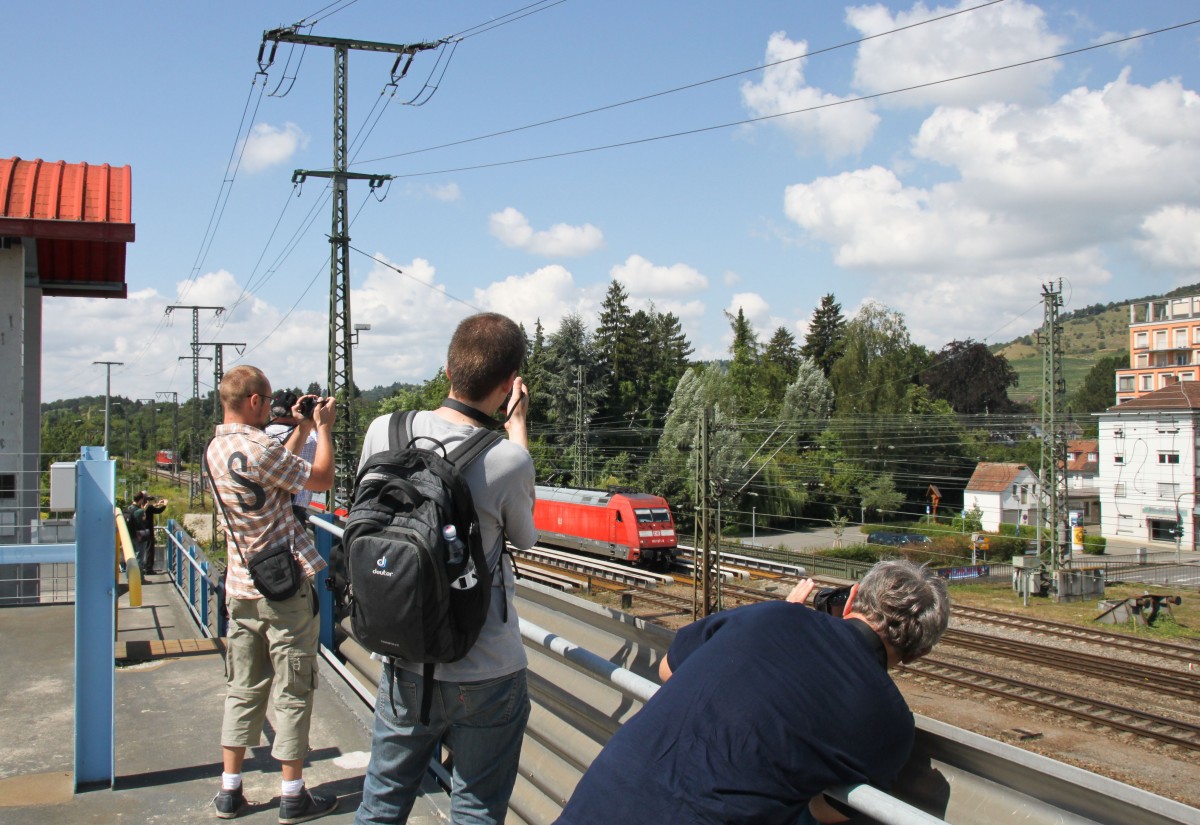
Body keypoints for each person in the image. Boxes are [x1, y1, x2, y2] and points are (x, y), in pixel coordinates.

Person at [555, 559, 951, 825]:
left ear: (850, 599)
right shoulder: (893, 724)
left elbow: (667, 670)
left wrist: (775, 617)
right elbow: (824, 810)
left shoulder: (771, 614)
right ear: (921, 653)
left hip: (597, 803)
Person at [354, 312, 537, 825]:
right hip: (487, 668)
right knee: (476, 808)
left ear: (447, 370)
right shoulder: (508, 458)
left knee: (382, 803)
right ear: (508, 387)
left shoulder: (382, 430)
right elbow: (524, 537)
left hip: (402, 655)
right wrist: (517, 428)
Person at [205, 365, 339, 823]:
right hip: (283, 592)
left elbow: (275, 472)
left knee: (242, 687)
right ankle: (292, 794)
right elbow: (319, 479)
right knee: (293, 688)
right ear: (257, 402)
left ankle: (229, 791)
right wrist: (322, 429)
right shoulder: (262, 447)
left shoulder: (215, 450)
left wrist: (298, 430)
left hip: (240, 588)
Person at [264, 390, 320, 524]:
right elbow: (319, 434)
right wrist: (310, 416)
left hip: (266, 508)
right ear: (296, 412)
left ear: (271, 412)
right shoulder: (310, 440)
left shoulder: (260, 437)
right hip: (296, 510)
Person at [135, 490, 167, 574]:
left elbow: (149, 508)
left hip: (141, 530)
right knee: (149, 549)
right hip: (148, 530)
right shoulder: (147, 507)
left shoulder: (139, 506)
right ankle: (148, 568)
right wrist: (165, 504)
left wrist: (156, 504)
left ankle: (143, 567)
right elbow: (158, 511)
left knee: (142, 549)